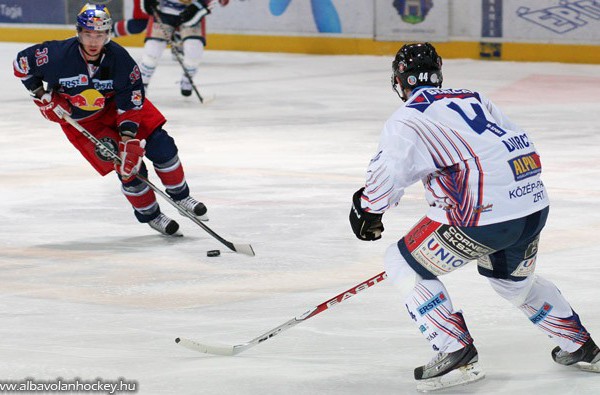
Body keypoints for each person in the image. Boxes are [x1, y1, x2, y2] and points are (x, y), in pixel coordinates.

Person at [349, 42, 599, 391]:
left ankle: (454, 350)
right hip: (532, 204)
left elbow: (386, 180)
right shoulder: (473, 97)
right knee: (513, 285)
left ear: (399, 79)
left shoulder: (407, 117)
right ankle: (581, 346)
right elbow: (513, 142)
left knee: (402, 261)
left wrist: (367, 210)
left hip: (482, 217)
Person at [13, 3, 208, 236]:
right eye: (88, 34)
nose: (93, 42)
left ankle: (181, 196)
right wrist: (42, 94)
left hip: (118, 107)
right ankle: (152, 215)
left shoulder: (121, 60)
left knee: (161, 144)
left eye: (99, 35)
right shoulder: (55, 55)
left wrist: (128, 139)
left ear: (108, 34)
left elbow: (132, 103)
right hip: (86, 123)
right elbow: (20, 66)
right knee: (129, 170)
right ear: (78, 32)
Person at [139, 0, 229, 96]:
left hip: (192, 12)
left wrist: (199, 5)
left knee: (194, 52)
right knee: (152, 53)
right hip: (163, 11)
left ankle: (187, 79)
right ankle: (140, 84)